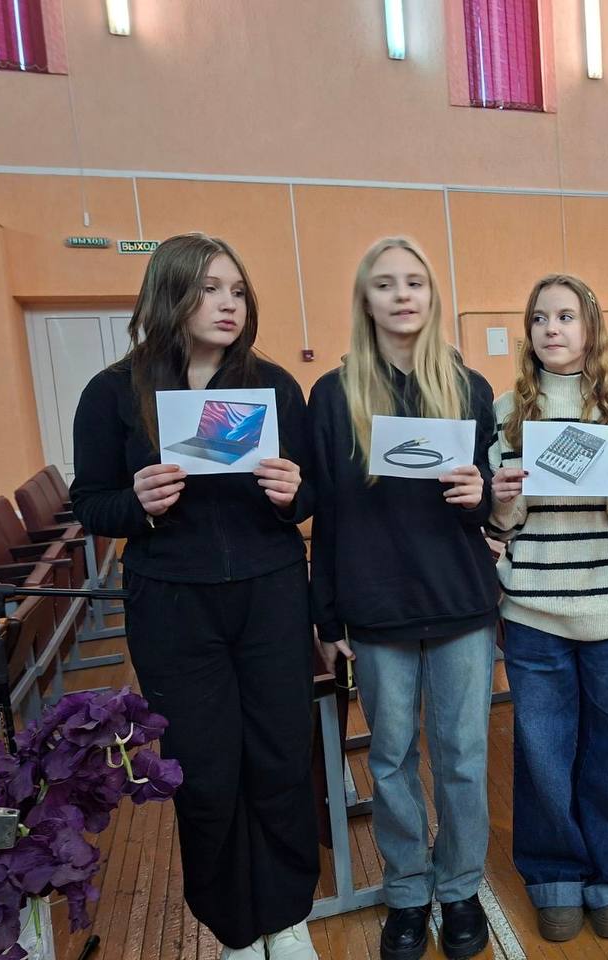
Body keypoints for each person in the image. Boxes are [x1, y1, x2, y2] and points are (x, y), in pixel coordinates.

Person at [70, 233, 319, 960]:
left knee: (280, 760)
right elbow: (92, 503)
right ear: (170, 293)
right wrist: (139, 503)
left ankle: (287, 916)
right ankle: (234, 927)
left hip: (271, 596)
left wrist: (293, 494)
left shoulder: (276, 387)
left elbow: (309, 499)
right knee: (206, 771)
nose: (227, 304)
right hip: (173, 606)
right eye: (210, 289)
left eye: (237, 291)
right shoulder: (113, 392)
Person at [309, 237, 498, 960]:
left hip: (459, 602)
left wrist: (480, 495)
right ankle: (408, 893)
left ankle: (461, 889)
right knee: (390, 759)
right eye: (385, 283)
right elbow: (327, 515)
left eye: (414, 281)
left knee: (462, 758)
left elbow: (484, 507)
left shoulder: (469, 388)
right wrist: (326, 614)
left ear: (431, 295)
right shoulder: (333, 395)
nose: (401, 295)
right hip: (376, 608)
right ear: (366, 299)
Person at [488, 274, 608, 942]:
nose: (551, 329)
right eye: (539, 318)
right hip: (534, 607)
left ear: (591, 327)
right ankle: (554, 877)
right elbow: (502, 523)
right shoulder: (508, 409)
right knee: (542, 751)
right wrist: (503, 498)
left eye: (565, 316)